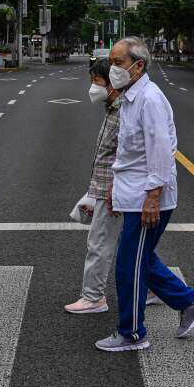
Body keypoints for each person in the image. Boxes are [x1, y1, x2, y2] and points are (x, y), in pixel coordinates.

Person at [95, 36, 194, 352]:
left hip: (147, 197)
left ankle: (132, 333)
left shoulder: (150, 100)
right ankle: (190, 301)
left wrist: (153, 196)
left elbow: (161, 150)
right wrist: (115, 190)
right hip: (132, 193)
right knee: (140, 260)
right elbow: (129, 152)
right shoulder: (130, 96)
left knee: (128, 264)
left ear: (138, 65)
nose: (112, 68)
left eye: (118, 62)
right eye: (112, 62)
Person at [64, 58, 128, 314]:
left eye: (96, 81)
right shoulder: (113, 108)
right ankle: (153, 288)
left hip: (113, 191)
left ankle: (93, 297)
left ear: (112, 84)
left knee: (99, 244)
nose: (92, 87)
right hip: (105, 188)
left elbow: (126, 155)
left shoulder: (124, 112)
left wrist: (110, 189)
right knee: (131, 244)